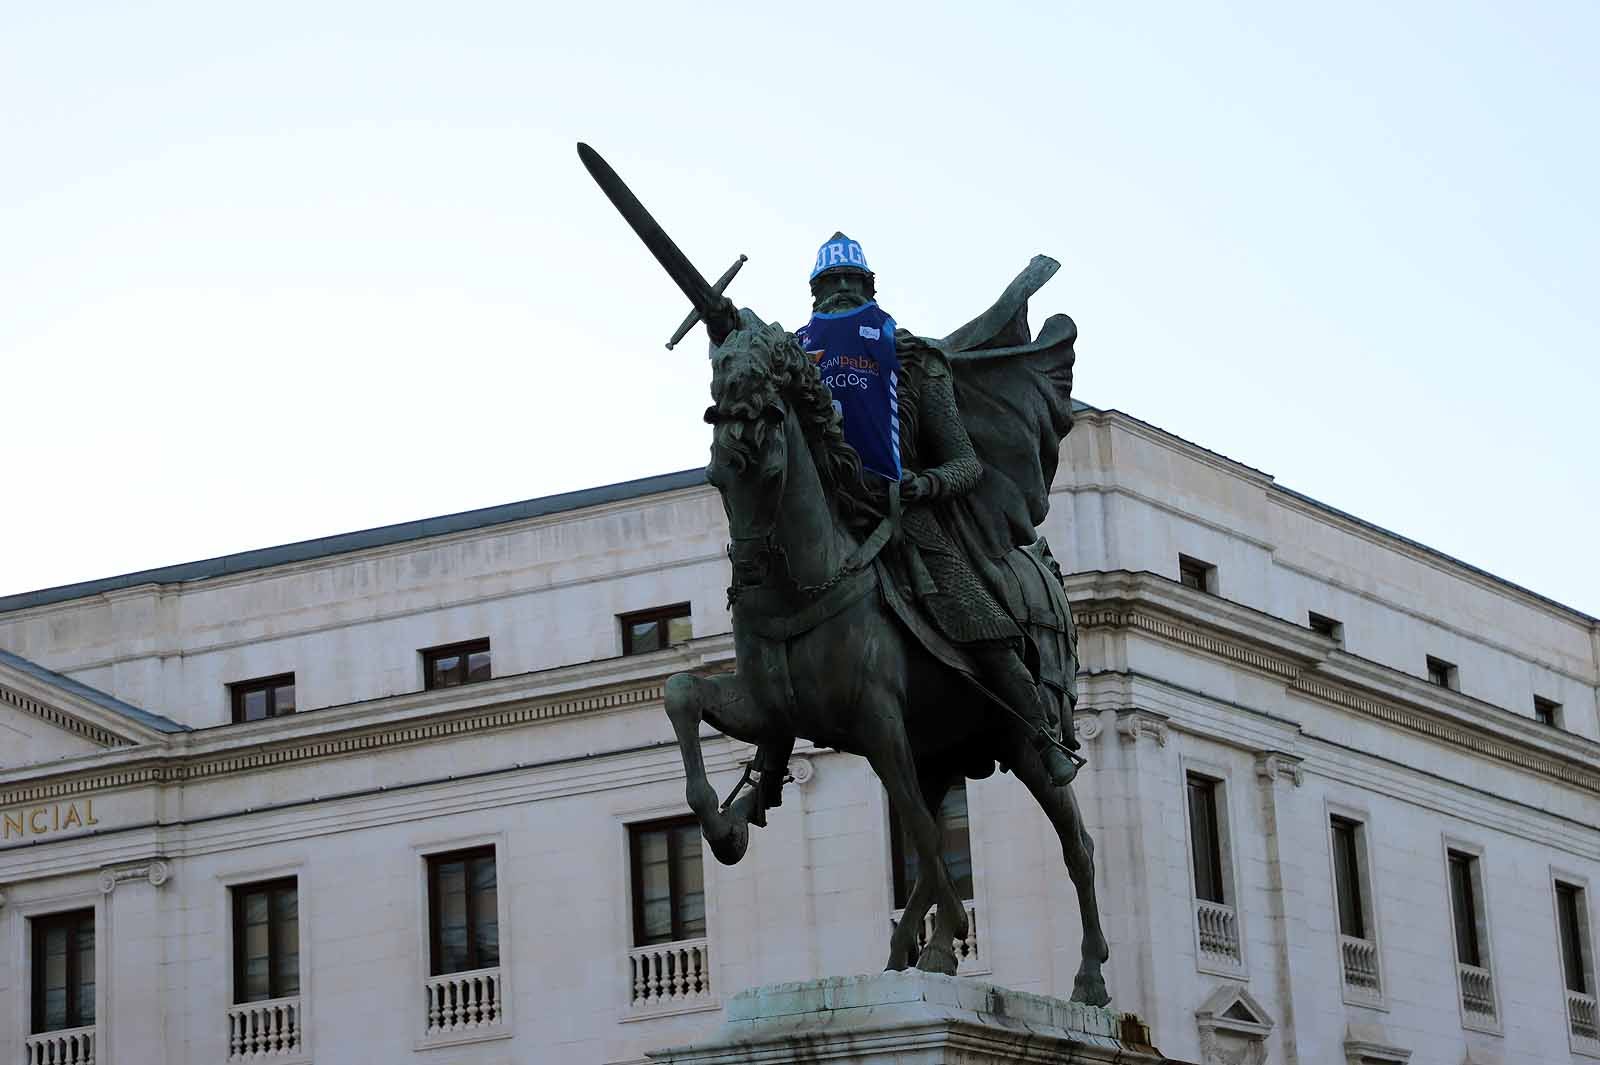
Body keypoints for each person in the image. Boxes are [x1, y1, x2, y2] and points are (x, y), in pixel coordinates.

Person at [794, 233, 1080, 787]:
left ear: (870, 289)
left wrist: (921, 487)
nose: (840, 295)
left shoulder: (914, 362)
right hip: (824, 514)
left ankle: (1041, 735)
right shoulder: (798, 360)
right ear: (814, 297)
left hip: (904, 515)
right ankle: (767, 759)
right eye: (829, 286)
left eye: (851, 283)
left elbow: (965, 464)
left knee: (978, 616)